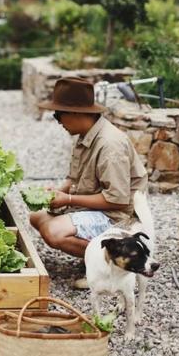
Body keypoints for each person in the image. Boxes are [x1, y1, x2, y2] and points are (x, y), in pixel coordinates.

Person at [29, 77, 147, 286]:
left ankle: (109, 267)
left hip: (118, 217)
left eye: (58, 115)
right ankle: (94, 257)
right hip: (98, 207)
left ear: (75, 113)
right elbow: (73, 178)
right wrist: (56, 193)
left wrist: (69, 199)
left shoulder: (110, 145)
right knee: (37, 216)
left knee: (53, 231)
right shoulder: (85, 134)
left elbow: (118, 200)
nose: (58, 121)